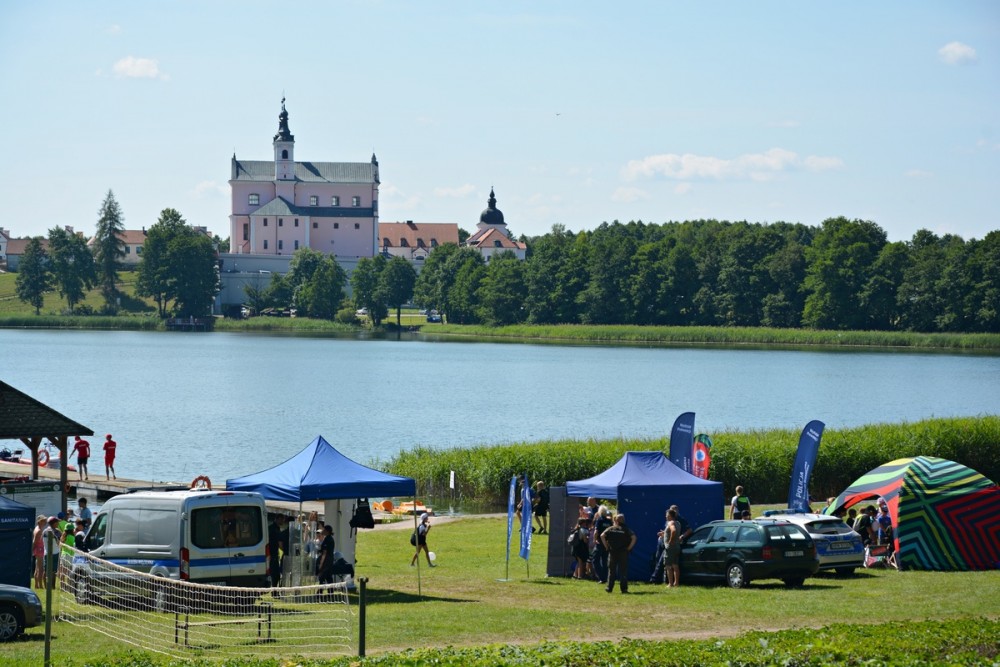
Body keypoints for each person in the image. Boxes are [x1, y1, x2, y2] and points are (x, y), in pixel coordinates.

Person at [601, 513, 636, 594]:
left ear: (616, 520)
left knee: (611, 571)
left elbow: (602, 536)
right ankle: (624, 589)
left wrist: (606, 546)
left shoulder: (611, 528)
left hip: (612, 552)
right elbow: (634, 538)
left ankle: (609, 588)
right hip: (623, 552)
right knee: (623, 571)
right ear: (623, 520)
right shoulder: (626, 529)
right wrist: (629, 548)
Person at [590, 507, 612, 584]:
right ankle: (606, 577)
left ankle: (601, 577)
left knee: (595, 560)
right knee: (605, 561)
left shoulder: (599, 520)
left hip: (599, 543)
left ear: (599, 512)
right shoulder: (609, 521)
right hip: (607, 543)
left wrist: (594, 539)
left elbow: (596, 531)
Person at [663, 508, 682, 588]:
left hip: (671, 547)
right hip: (677, 546)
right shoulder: (678, 523)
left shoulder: (670, 522)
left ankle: (670, 584)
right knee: (675, 565)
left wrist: (670, 541)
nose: (666, 516)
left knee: (668, 566)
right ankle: (676, 583)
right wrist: (663, 534)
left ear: (670, 516)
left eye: (667, 515)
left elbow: (673, 531)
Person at [42, 516, 62, 590]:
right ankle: (52, 587)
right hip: (55, 553)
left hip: (47, 553)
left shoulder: (44, 531)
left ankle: (46, 587)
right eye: (57, 522)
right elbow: (60, 542)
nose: (58, 523)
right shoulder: (56, 532)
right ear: (54, 523)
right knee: (53, 571)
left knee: (46, 570)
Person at [316, 524, 336, 590]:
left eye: (324, 530)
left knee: (322, 577)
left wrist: (321, 564)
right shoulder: (330, 539)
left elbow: (324, 553)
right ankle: (331, 593)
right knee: (328, 577)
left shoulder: (327, 540)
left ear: (327, 531)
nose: (322, 531)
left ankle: (320, 593)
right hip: (330, 560)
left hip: (326, 561)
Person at [32, 515, 46, 589]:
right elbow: (34, 542)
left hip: (38, 550)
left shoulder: (36, 528)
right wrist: (32, 550)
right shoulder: (39, 530)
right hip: (39, 550)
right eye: (44, 521)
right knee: (40, 569)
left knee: (37, 567)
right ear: (40, 522)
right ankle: (40, 585)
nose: (45, 522)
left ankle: (36, 585)